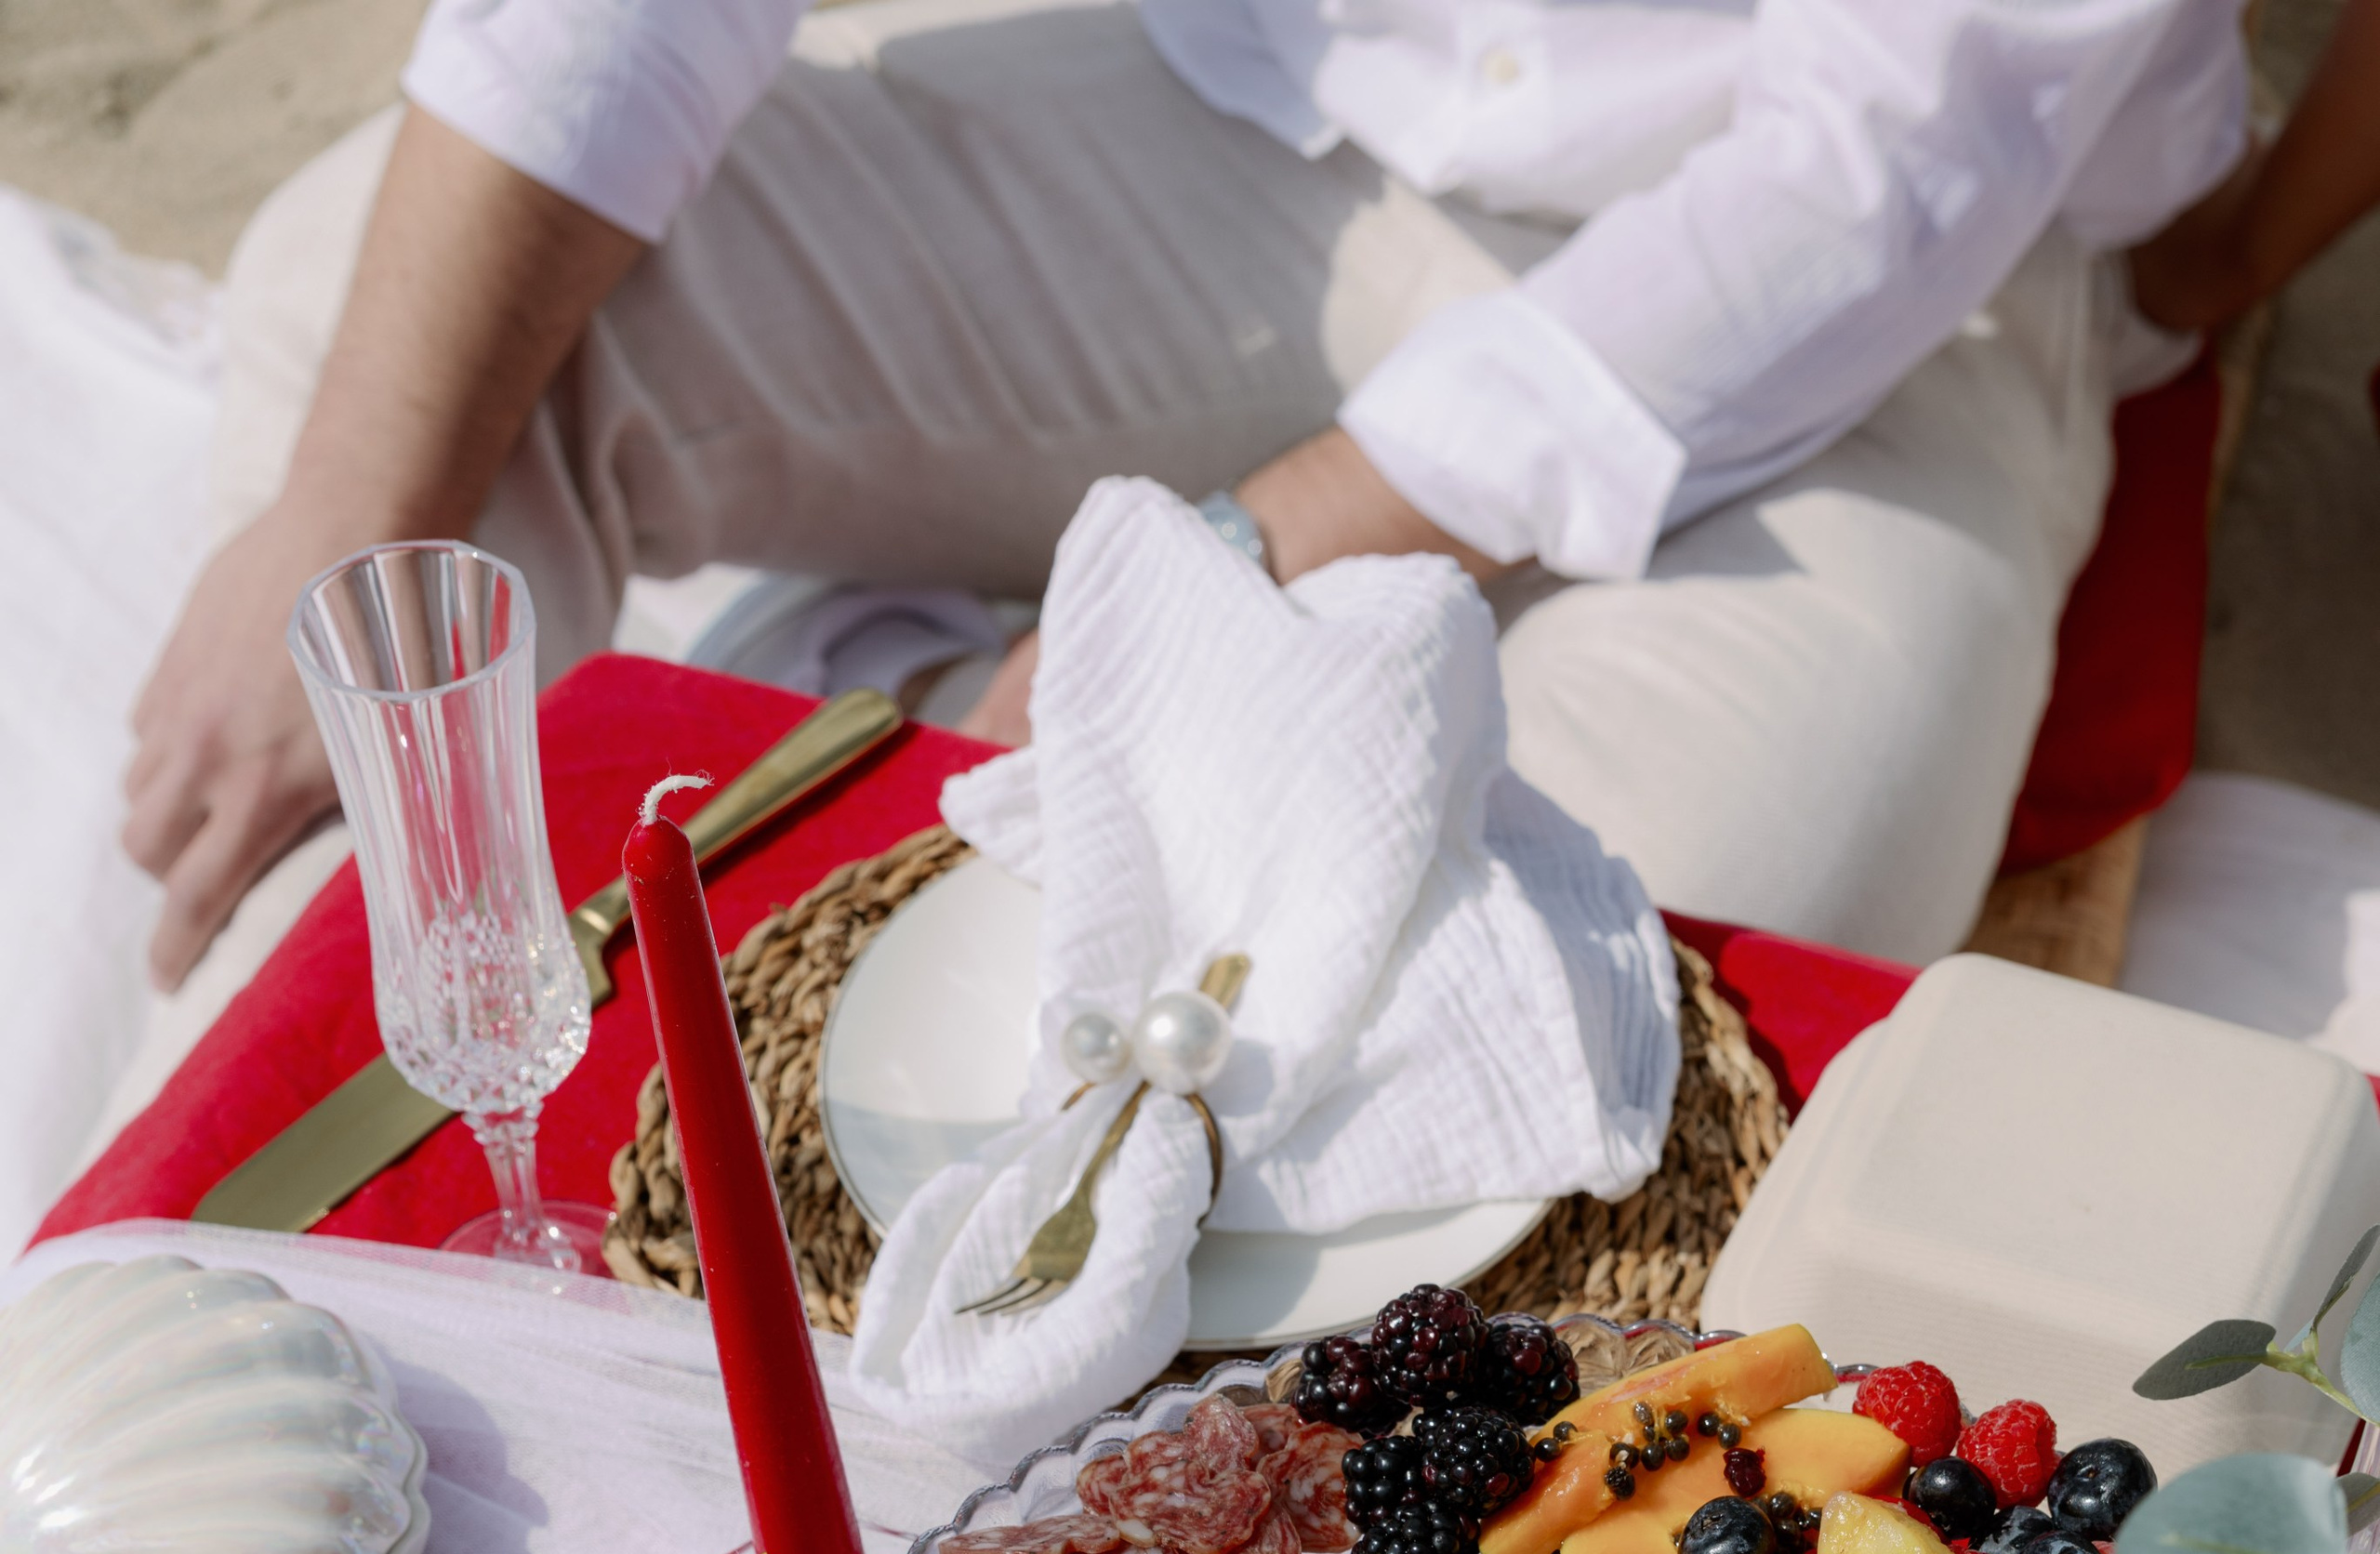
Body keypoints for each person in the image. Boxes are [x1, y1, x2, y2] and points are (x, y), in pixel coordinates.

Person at [126, 0, 2264, 1005]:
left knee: (1648, 951)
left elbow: (1885, 162)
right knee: (377, 331)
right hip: (1273, 108)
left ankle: (910, 801)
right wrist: (349, 505)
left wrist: (1231, 568)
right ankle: (364, 1167)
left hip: (1901, 298)